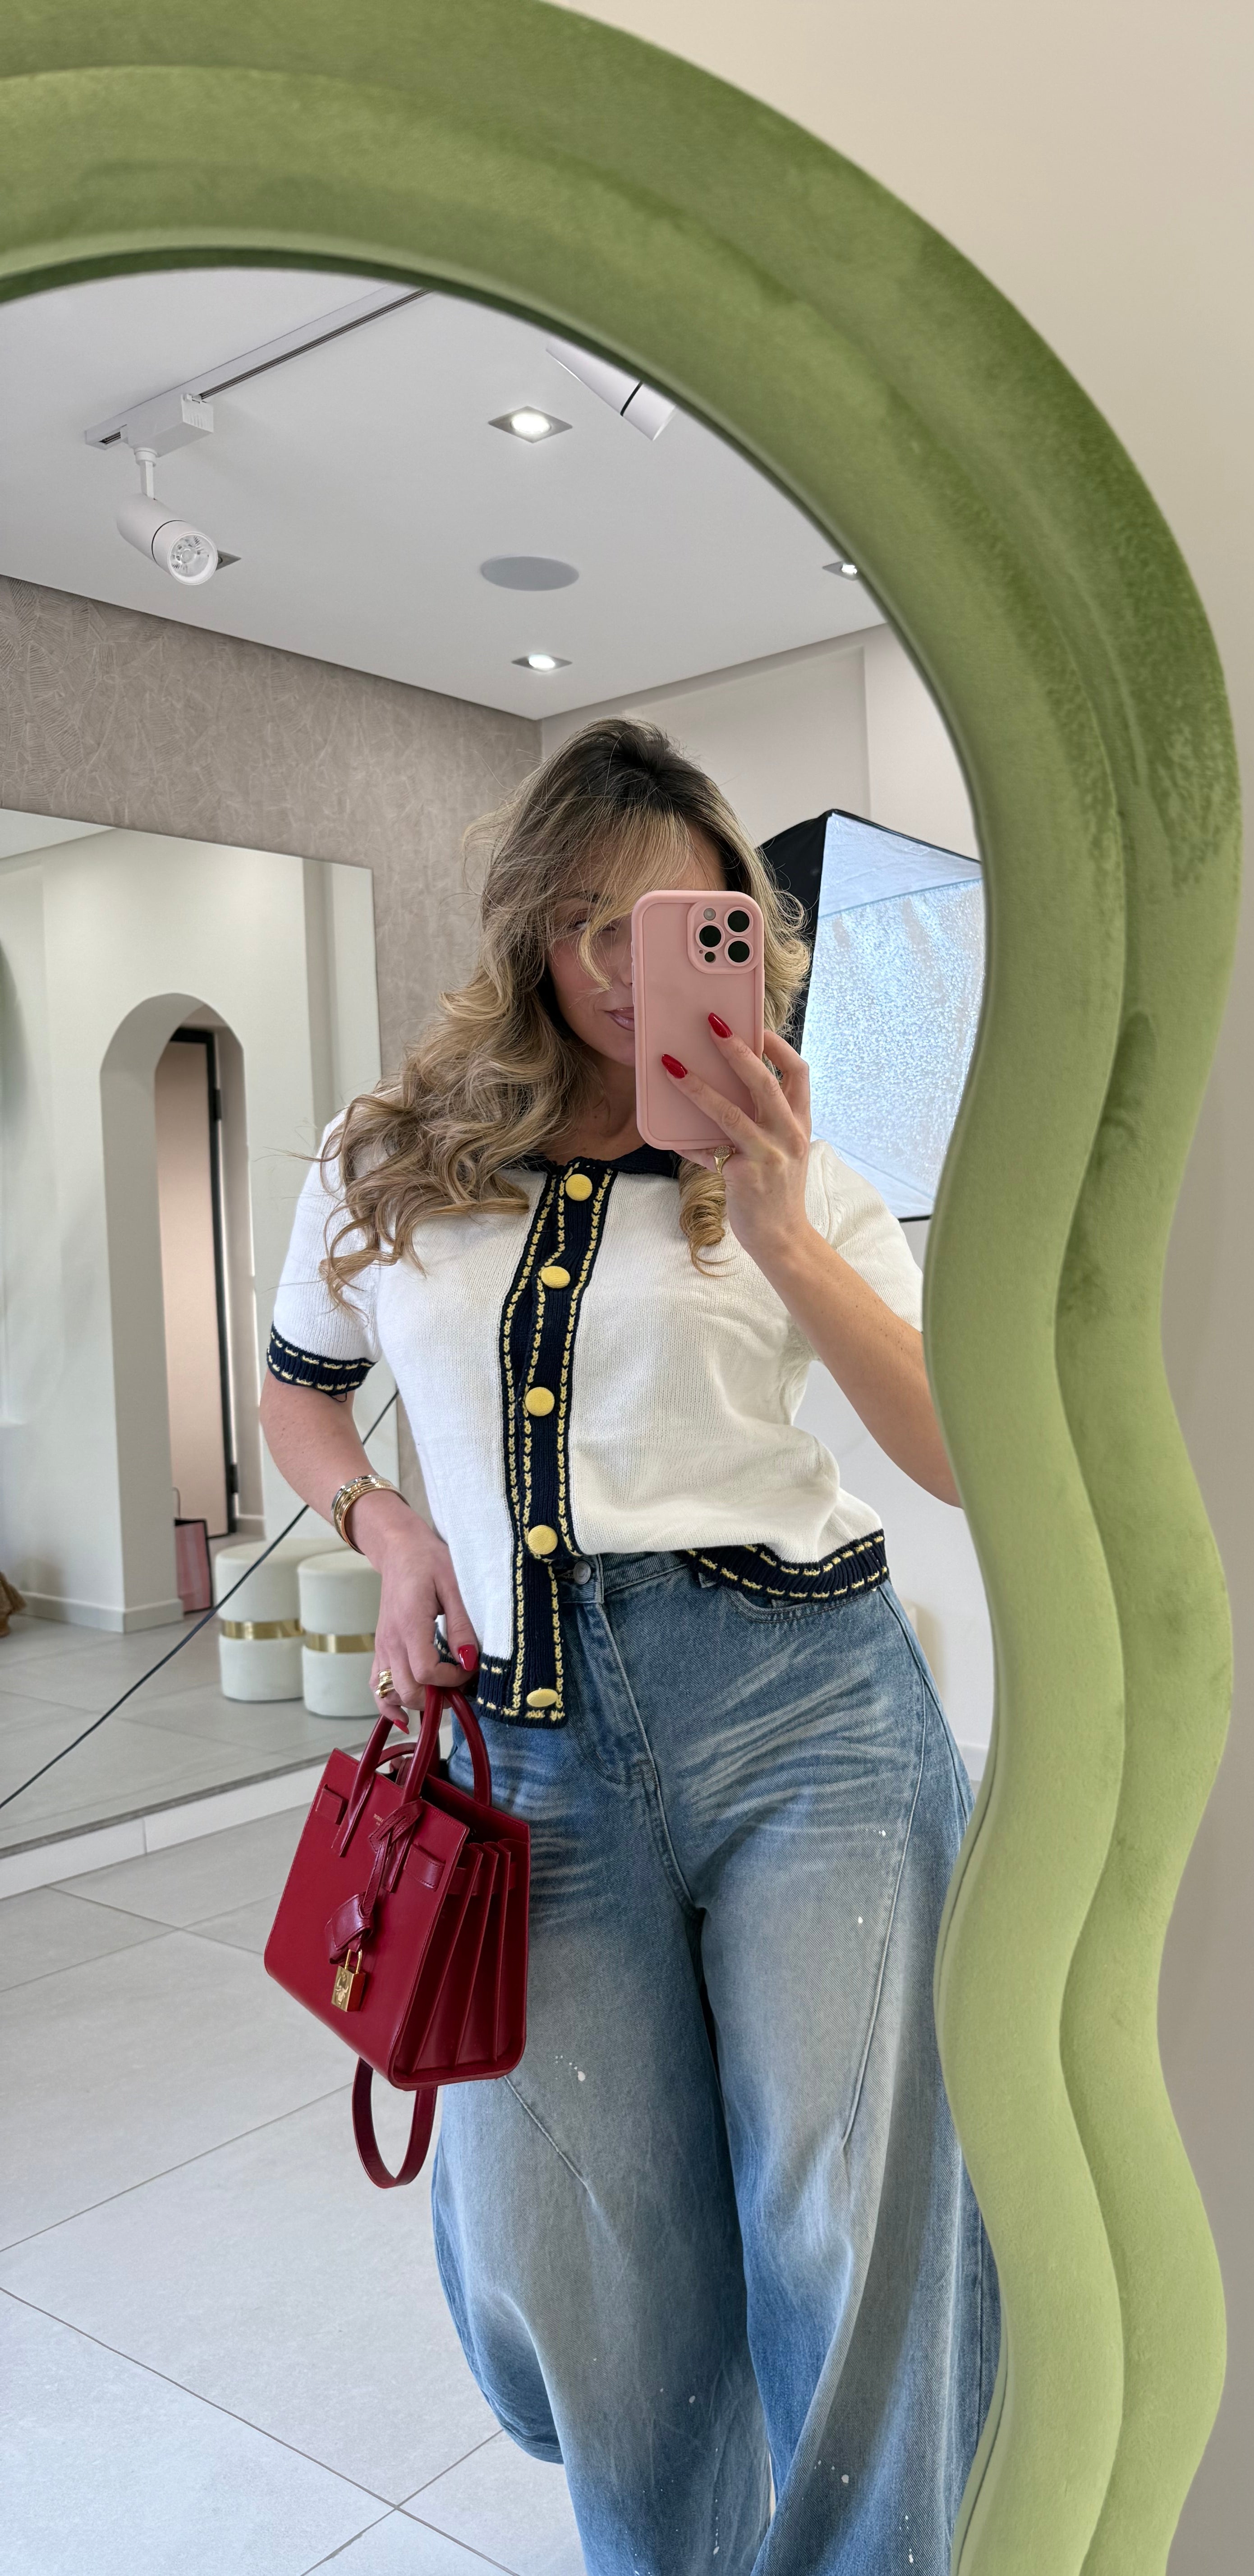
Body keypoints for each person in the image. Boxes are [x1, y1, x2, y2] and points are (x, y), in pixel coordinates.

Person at [260, 719, 997, 2576]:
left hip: (809, 1714)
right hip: (530, 1750)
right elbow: (299, 1397)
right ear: (530, 924)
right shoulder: (389, 1159)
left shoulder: (807, 1173)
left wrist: (784, 1227)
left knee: (847, 2217)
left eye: (674, 925)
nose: (622, 965)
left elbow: (949, 1451)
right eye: (589, 919)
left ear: (742, 934)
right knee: (590, 2269)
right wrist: (390, 1530)